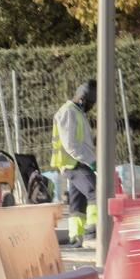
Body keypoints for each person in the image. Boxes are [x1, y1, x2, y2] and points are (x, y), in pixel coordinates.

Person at [51, 80, 98, 248]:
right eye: (91, 103)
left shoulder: (76, 112)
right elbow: (70, 144)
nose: (92, 107)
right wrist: (92, 162)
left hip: (77, 162)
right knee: (96, 192)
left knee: (77, 202)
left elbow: (80, 141)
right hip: (75, 163)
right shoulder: (68, 112)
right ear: (82, 99)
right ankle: (94, 231)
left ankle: (75, 236)